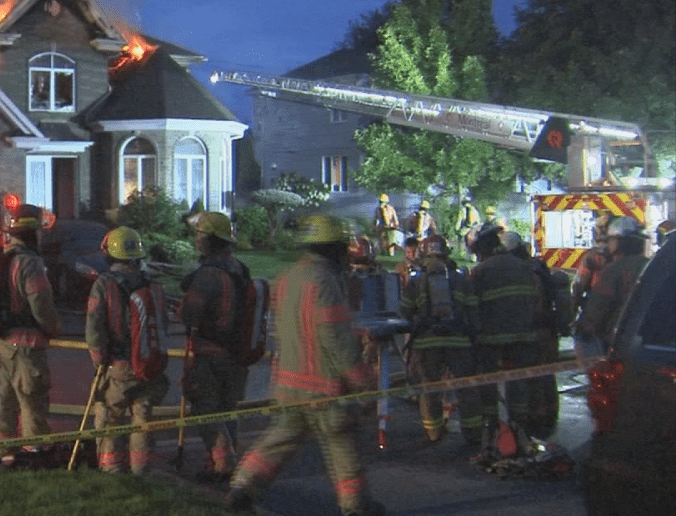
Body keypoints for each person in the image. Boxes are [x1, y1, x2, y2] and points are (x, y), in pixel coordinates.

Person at [227, 214, 384, 516]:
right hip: (323, 388)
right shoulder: (325, 280)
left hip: (288, 384)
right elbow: (336, 337)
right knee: (342, 447)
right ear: (334, 248)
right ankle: (356, 508)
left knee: (277, 442)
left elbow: (294, 329)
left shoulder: (287, 278)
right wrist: (362, 381)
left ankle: (242, 489)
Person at [85, 226, 170, 475]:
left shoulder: (103, 284)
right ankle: (141, 469)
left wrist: (99, 364)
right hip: (148, 365)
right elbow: (163, 322)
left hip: (117, 366)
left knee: (110, 418)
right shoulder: (152, 284)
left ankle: (112, 469)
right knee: (143, 419)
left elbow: (94, 328)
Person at [0, 202, 61, 467]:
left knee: (3, 402)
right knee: (32, 402)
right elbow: (40, 304)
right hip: (26, 347)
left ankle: (0, 453)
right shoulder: (30, 263)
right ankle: (35, 453)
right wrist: (53, 327)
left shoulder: (1, 258)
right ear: (33, 233)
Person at [181, 211, 251, 483]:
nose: (196, 239)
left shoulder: (208, 275)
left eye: (200, 234)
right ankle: (230, 462)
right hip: (237, 354)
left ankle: (222, 464)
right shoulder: (240, 269)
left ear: (210, 240)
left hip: (210, 353)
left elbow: (190, 315)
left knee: (206, 410)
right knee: (227, 409)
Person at [399, 234, 482, 446]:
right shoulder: (462, 280)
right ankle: (473, 434)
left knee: (429, 390)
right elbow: (473, 314)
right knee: (467, 389)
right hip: (459, 342)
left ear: (423, 254)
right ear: (446, 254)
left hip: (427, 344)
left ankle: (434, 433)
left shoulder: (416, 281)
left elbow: (405, 312)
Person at [467, 225, 542, 432]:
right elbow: (537, 301)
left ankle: (491, 423)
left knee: (488, 380)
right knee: (517, 380)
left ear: (482, 250)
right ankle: (519, 423)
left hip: (492, 338)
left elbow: (471, 305)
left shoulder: (480, 271)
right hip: (524, 335)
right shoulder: (524, 267)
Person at [511, 238, 573, 438]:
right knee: (547, 376)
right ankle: (550, 417)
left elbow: (532, 307)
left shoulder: (526, 274)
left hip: (535, 332)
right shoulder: (541, 270)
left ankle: (537, 423)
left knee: (534, 378)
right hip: (549, 333)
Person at [573, 216, 650, 351]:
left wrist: (585, 324)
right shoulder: (650, 265)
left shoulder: (613, 270)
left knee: (583, 343)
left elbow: (599, 306)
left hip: (615, 338)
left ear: (618, 242)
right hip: (646, 335)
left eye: (610, 240)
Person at [570, 211, 612, 354]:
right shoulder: (630, 258)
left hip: (595, 307)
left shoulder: (593, 256)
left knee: (584, 341)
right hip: (623, 310)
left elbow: (578, 285)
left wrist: (572, 312)